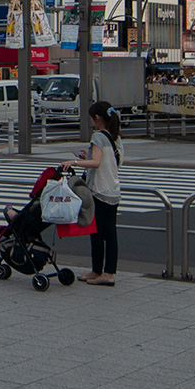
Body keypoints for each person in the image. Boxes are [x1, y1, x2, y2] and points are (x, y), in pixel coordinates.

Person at [76, 102, 121, 285]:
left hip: (99, 190)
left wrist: (75, 162)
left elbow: (96, 163)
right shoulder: (115, 137)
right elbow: (113, 162)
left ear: (96, 118)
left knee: (96, 233)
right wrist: (86, 158)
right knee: (110, 233)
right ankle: (108, 272)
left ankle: (98, 271)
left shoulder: (98, 137)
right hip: (113, 189)